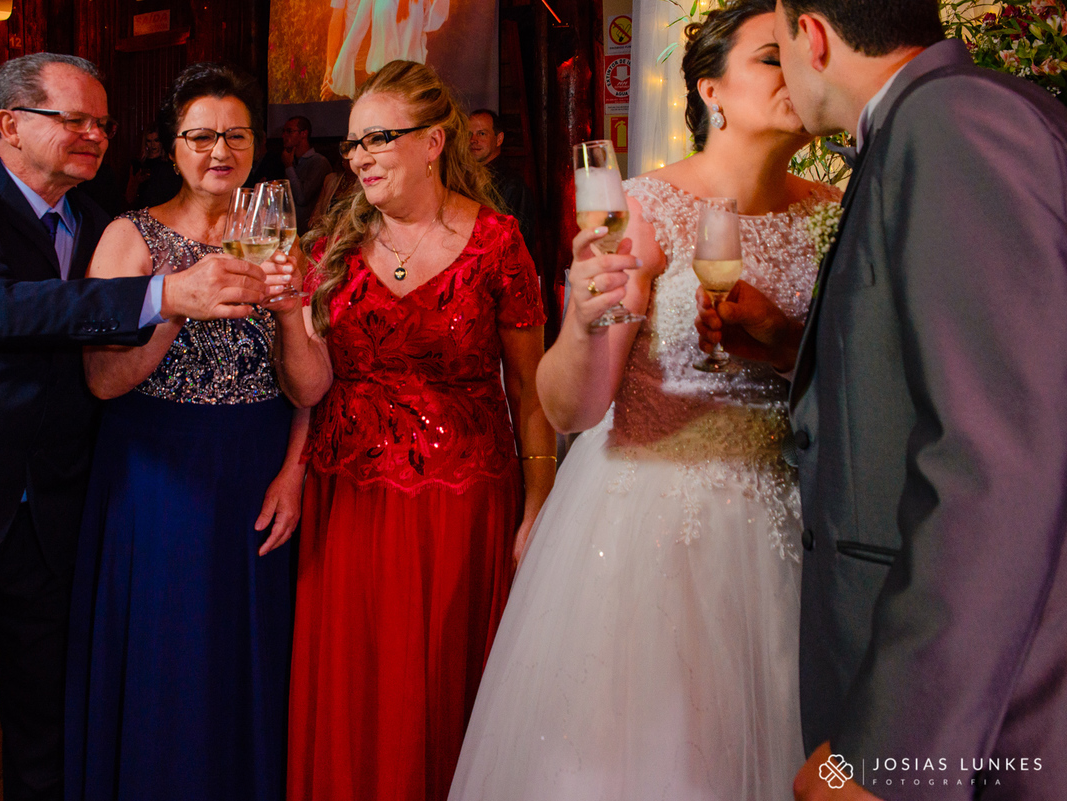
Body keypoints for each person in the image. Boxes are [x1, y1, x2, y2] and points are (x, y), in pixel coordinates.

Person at [450, 3, 841, 799]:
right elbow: (571, 409)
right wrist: (584, 320)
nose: (797, 71)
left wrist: (785, 342)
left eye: (802, 52)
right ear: (710, 90)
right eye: (772, 56)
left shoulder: (832, 215)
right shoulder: (644, 208)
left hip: (803, 531)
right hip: (655, 532)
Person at [0, 53, 268, 801]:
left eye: (102, 122)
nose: (93, 134)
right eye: (72, 119)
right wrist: (164, 292)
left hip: (57, 508)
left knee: (47, 726)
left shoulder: (95, 219)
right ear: (8, 124)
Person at [697, 1, 1067, 797]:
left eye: (780, 46)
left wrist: (890, 751)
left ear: (816, 39)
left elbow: (997, 460)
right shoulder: (942, 119)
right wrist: (796, 348)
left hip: (985, 711)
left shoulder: (951, 125)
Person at [279, 59, 555, 801]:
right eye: (353, 144)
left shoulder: (499, 243)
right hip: (350, 504)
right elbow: (308, 386)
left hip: (464, 507)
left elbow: (531, 388)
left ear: (433, 142)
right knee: (356, 690)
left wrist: (539, 506)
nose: (359, 155)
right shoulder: (331, 245)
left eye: (377, 138)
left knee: (441, 688)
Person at [63, 63, 314, 801]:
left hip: (261, 468)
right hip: (159, 474)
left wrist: (295, 469)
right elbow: (102, 380)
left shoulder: (279, 234)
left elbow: (310, 387)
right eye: (200, 135)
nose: (219, 149)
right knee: (170, 653)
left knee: (248, 653)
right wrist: (179, 302)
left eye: (235, 134)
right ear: (171, 147)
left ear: (256, 145)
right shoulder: (129, 236)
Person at [321, 0, 450, 100]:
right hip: (382, 78)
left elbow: (432, 22)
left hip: (410, 79)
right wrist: (337, 77)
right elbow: (356, 32)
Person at [467, 109, 535, 253]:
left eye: (482, 133)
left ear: (499, 139)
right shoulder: (463, 179)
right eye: (469, 134)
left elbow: (514, 245)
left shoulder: (513, 185)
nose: (473, 140)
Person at [281, 116, 332, 236]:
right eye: (283, 132)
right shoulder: (291, 161)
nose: (284, 136)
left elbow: (302, 198)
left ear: (303, 134)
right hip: (291, 231)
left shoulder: (318, 162)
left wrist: (289, 167)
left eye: (289, 131)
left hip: (310, 234)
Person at [125, 126, 181, 209]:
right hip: (143, 211)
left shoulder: (169, 164)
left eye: (156, 140)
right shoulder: (138, 164)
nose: (153, 145)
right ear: (145, 143)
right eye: (149, 141)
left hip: (165, 210)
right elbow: (129, 198)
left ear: (161, 142)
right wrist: (136, 182)